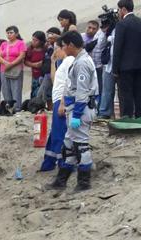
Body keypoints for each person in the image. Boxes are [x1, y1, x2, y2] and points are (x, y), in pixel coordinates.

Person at [47, 31, 98, 191]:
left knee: (81, 146)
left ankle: (84, 183)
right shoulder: (78, 61)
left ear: (70, 45)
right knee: (68, 145)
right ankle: (61, 181)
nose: (61, 49)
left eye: (63, 45)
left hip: (80, 110)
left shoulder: (82, 63)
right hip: (74, 108)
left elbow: (82, 91)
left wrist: (76, 114)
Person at [40, 39, 75, 171]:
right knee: (55, 131)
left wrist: (62, 102)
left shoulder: (70, 61)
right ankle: (50, 161)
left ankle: (64, 163)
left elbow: (68, 84)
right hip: (57, 99)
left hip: (62, 100)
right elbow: (55, 80)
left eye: (56, 48)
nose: (55, 52)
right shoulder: (62, 63)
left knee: (60, 132)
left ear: (63, 47)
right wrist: (53, 63)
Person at [114, 0, 141, 118]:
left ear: (123, 9)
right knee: (139, 93)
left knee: (126, 94)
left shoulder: (122, 24)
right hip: (140, 65)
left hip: (125, 66)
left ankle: (127, 119)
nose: (118, 12)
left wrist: (115, 69)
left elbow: (117, 48)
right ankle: (140, 117)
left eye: (118, 10)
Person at [0, 26, 26, 112]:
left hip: (16, 69)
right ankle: (8, 108)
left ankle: (17, 108)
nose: (9, 35)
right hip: (4, 69)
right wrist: (6, 63)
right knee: (6, 89)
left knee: (16, 88)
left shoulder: (21, 43)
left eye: (11, 33)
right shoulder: (4, 44)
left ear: (16, 34)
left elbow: (22, 56)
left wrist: (11, 64)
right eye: (8, 33)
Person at [99, 14, 118, 119]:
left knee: (123, 91)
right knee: (107, 90)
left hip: (120, 64)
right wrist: (105, 32)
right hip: (108, 66)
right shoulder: (107, 31)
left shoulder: (119, 28)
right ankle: (105, 112)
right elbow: (100, 44)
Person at [83, 20, 104, 95]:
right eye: (89, 27)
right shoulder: (80, 37)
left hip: (97, 67)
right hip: (84, 68)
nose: (91, 30)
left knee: (99, 89)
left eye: (94, 29)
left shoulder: (99, 39)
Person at [25, 31, 47, 98]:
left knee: (43, 93)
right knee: (34, 92)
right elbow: (25, 61)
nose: (33, 42)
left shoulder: (45, 49)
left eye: (36, 40)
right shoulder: (30, 49)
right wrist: (33, 65)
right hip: (35, 75)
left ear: (41, 41)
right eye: (33, 39)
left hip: (44, 75)